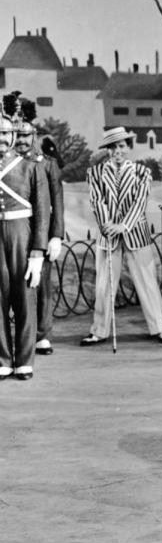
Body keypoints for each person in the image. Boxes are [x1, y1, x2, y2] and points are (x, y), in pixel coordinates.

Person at [82, 127, 162, 346]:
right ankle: (99, 331)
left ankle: (160, 328)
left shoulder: (142, 172)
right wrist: (108, 225)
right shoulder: (95, 173)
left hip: (135, 232)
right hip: (108, 234)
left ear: (129, 147)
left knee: (147, 281)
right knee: (104, 284)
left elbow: (140, 202)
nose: (117, 151)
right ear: (107, 151)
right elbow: (97, 201)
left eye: (121, 146)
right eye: (112, 147)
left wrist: (123, 225)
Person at [0, 114, 49, 380]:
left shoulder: (31, 168)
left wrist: (38, 252)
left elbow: (42, 214)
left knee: (24, 297)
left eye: (7, 133)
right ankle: (3, 359)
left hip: (22, 234)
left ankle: (24, 360)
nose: (3, 138)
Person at [15, 120, 64, 356]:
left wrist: (56, 236)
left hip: (41, 232)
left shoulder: (47, 164)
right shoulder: (11, 163)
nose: (22, 141)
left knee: (42, 284)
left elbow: (57, 202)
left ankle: (42, 334)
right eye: (18, 136)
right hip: (16, 231)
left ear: (35, 136)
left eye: (27, 136)